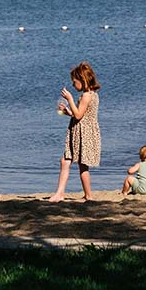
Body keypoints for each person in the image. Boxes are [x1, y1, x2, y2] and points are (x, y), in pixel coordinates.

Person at [49, 62, 101, 202]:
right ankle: (63, 193)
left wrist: (70, 99)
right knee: (66, 161)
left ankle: (87, 195)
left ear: (82, 80)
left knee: (81, 165)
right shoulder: (91, 94)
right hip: (80, 131)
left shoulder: (87, 96)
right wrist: (67, 112)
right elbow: (79, 114)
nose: (73, 85)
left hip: (83, 134)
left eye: (74, 82)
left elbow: (79, 116)